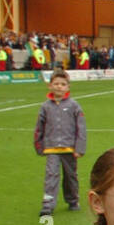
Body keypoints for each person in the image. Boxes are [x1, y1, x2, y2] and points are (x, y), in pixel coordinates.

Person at [35, 69, 86, 216]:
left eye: (63, 84)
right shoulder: (45, 107)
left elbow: (80, 128)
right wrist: (39, 146)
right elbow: (39, 128)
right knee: (51, 175)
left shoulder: (74, 106)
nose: (59, 86)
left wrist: (79, 148)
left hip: (69, 148)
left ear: (68, 87)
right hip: (52, 148)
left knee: (70, 176)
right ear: (50, 86)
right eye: (56, 84)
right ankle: (48, 204)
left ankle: (72, 200)